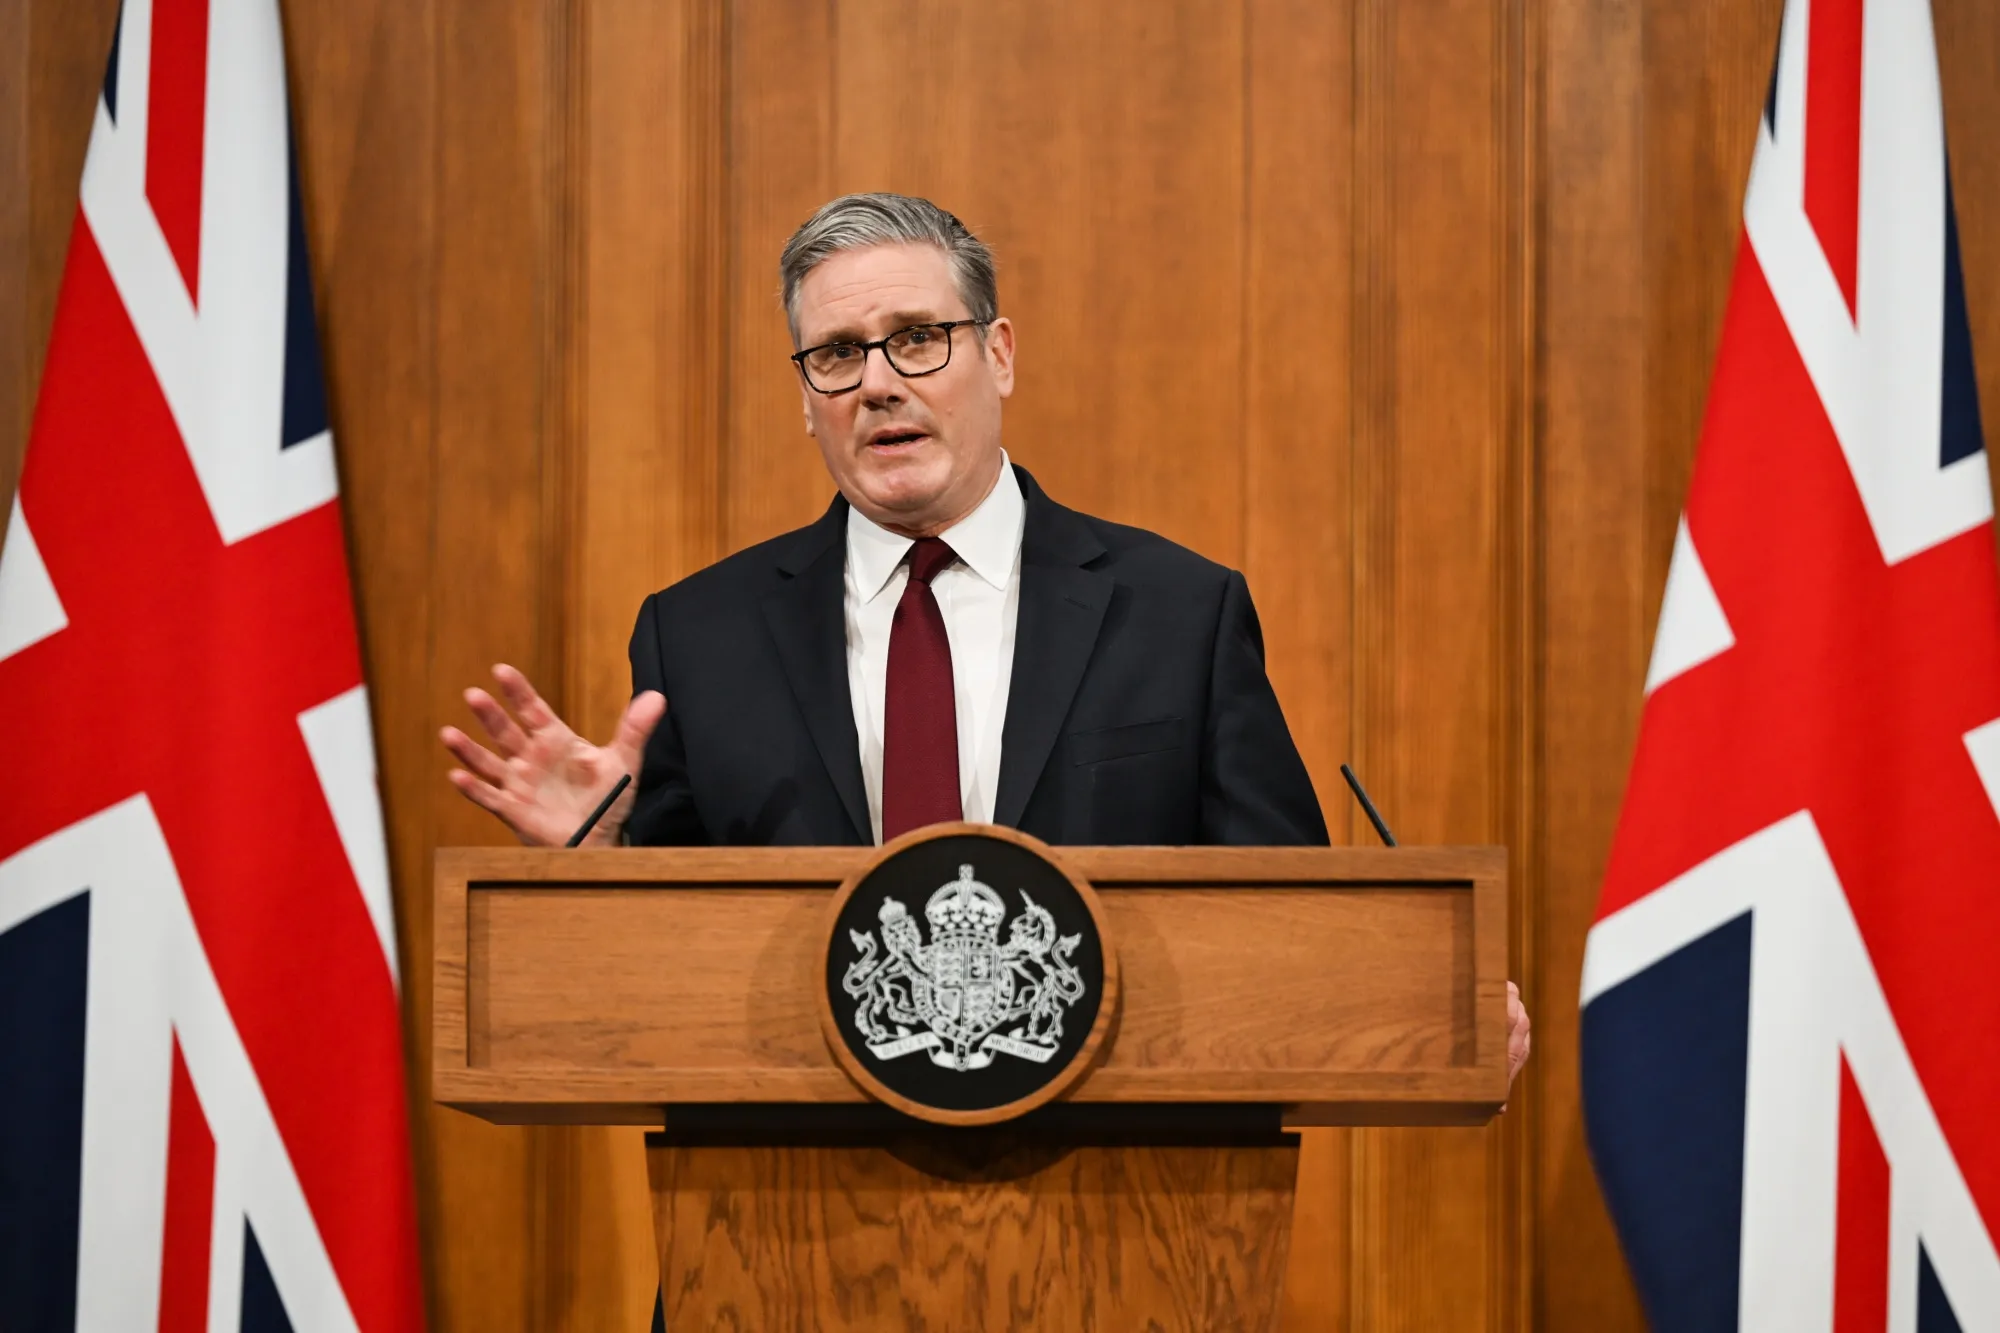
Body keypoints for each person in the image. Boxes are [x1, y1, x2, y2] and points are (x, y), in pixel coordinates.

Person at [438, 192, 1530, 1083]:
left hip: (1122, 1228)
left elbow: (1286, 930)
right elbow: (669, 977)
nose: (876, 383)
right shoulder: (699, 634)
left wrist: (1417, 991)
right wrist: (603, 855)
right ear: (805, 396)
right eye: (834, 355)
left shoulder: (1176, 611)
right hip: (776, 1227)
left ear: (997, 354)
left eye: (916, 338)